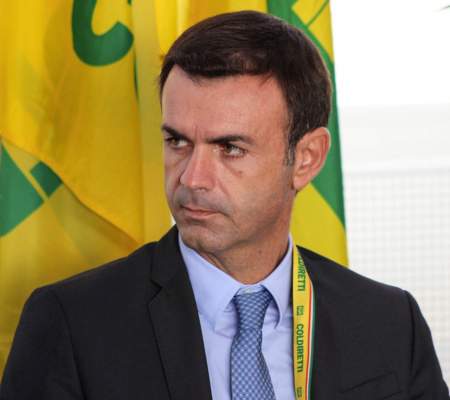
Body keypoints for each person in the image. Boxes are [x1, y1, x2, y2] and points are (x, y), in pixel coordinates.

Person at [1, 10, 448, 400]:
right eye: (177, 142)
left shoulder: (390, 322)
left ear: (307, 159)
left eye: (230, 148)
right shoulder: (71, 324)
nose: (191, 178)